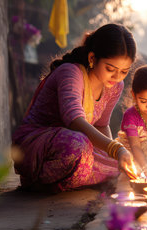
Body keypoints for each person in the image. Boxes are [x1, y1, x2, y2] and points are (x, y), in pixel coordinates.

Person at [12, 23, 138, 192]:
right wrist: (114, 149)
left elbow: (101, 125)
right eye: (110, 69)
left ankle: (77, 177)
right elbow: (74, 119)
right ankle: (39, 180)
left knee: (123, 164)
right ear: (92, 58)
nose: (116, 77)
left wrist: (112, 155)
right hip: (39, 148)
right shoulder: (71, 73)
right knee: (79, 146)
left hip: (79, 145)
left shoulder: (115, 86)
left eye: (124, 72)